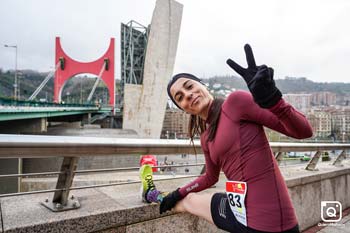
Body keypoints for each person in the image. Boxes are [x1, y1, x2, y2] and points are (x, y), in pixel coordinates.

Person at [139, 44, 313, 233]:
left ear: (202, 85)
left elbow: (303, 132)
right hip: (239, 215)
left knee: (189, 201)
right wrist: (177, 193)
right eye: (180, 98)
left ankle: (153, 194)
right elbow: (210, 177)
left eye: (189, 86)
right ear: (183, 108)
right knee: (186, 199)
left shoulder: (236, 102)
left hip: (271, 226)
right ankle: (155, 195)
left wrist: (273, 100)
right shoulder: (206, 138)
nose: (188, 95)